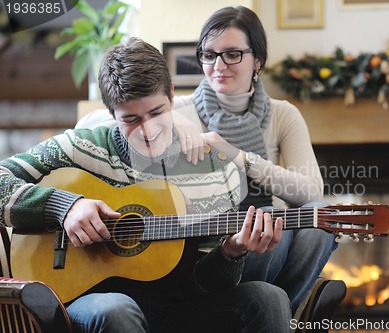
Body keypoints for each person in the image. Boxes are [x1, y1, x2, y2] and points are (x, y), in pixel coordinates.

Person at [0, 37, 292, 333]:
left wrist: (233, 252)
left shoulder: (215, 170)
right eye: (131, 119)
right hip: (88, 301)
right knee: (117, 309)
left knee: (268, 298)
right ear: (111, 114)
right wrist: (65, 206)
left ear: (172, 96)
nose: (149, 131)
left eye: (157, 113)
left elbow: (203, 285)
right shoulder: (78, 149)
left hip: (176, 308)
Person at [172, 5, 346, 326]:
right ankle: (273, 315)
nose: (218, 65)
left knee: (321, 220)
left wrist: (239, 155)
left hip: (274, 230)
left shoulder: (282, 114)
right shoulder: (179, 112)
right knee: (269, 232)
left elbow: (310, 189)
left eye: (232, 54)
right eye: (208, 55)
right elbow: (110, 120)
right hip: (215, 247)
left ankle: (279, 315)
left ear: (258, 61)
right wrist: (173, 122)